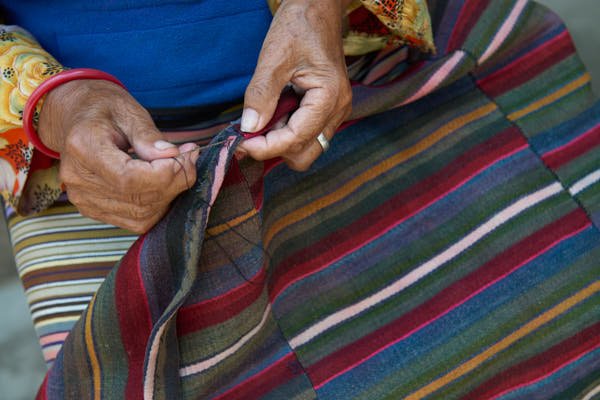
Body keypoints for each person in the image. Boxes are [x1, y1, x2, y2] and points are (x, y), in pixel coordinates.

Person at [2, 0, 600, 399]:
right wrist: (56, 105)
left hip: (370, 50)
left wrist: (319, 6)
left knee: (563, 297)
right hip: (93, 158)